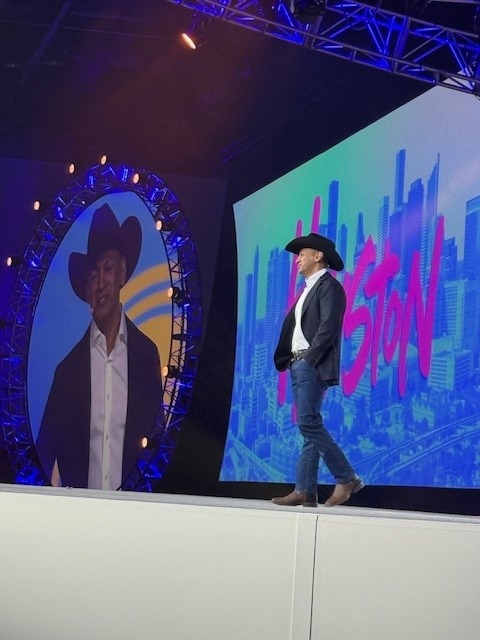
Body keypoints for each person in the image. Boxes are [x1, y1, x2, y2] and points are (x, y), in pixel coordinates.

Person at [36, 203, 164, 490]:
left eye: (107, 269)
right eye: (93, 276)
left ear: (122, 271)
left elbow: (159, 443)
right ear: (85, 291)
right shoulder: (67, 371)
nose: (101, 283)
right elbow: (43, 454)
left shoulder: (147, 356)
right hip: (79, 522)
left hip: (134, 517)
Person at [272, 232, 364, 507]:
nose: (297, 258)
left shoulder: (329, 287)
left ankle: (347, 478)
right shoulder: (307, 289)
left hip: (311, 363)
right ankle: (306, 491)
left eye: (302, 253)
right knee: (310, 425)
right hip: (298, 363)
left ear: (318, 255)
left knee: (307, 422)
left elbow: (329, 325)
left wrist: (309, 359)